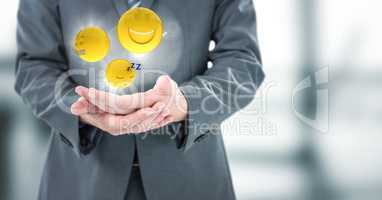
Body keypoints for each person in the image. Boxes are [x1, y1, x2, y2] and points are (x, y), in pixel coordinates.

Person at [15, 0, 264, 199]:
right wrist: (78, 107)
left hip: (192, 178)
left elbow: (242, 63)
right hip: (82, 179)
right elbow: (34, 67)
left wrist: (187, 102)